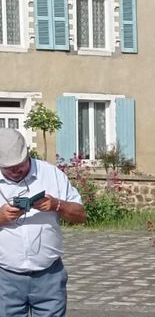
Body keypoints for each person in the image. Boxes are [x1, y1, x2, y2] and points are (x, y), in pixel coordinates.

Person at [0, 128, 86, 317]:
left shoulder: (51, 174)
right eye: (8, 167)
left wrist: (57, 205)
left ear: (27, 153)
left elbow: (80, 215)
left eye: (19, 164)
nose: (15, 170)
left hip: (49, 275)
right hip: (5, 277)